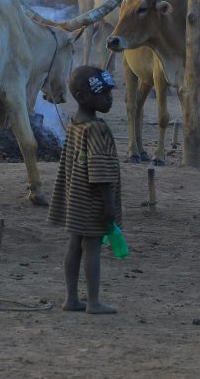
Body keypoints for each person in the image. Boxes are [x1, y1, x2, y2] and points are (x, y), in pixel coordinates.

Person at [48, 66, 122, 314]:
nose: (109, 98)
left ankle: (71, 298)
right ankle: (93, 301)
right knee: (92, 248)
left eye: (110, 93)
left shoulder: (74, 124)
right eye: (103, 94)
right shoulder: (96, 129)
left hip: (75, 199)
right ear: (82, 97)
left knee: (74, 245)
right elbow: (100, 172)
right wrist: (109, 205)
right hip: (93, 201)